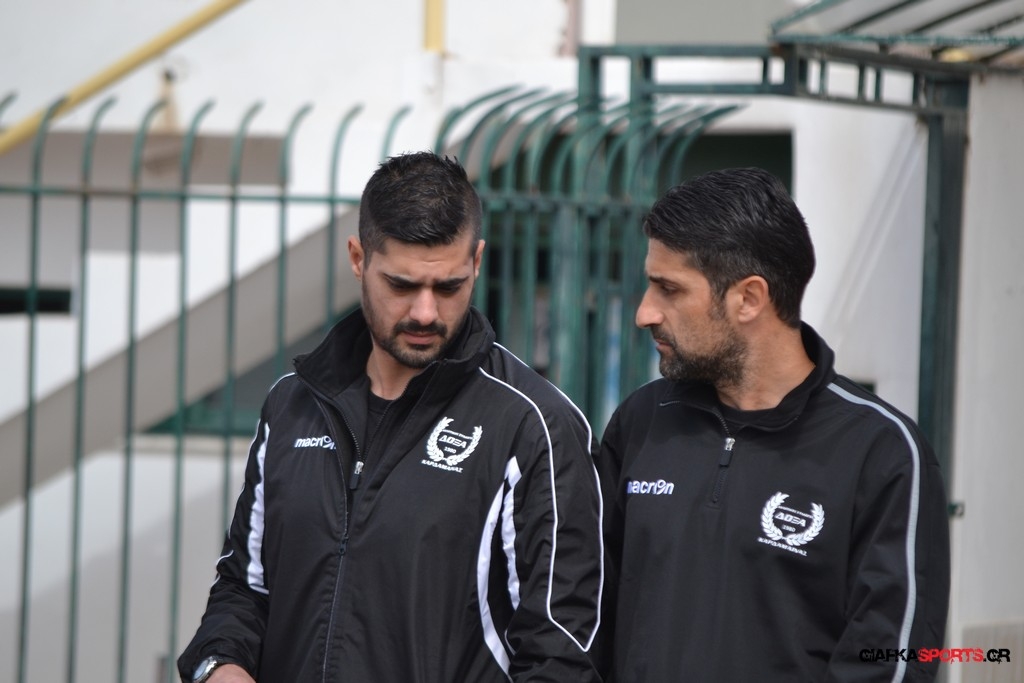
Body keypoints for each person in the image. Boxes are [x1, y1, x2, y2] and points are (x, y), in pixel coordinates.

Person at [178, 152, 605, 683]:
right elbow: (243, 588)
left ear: (476, 261)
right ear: (358, 258)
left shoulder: (534, 425)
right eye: (401, 286)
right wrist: (220, 666)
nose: (425, 312)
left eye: (448, 287)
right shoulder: (292, 405)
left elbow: (561, 653)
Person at [597, 168, 950, 681]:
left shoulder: (882, 452)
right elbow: (587, 615)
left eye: (668, 289)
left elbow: (894, 660)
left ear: (749, 298)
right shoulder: (642, 421)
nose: (645, 313)